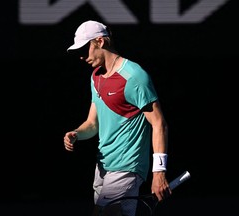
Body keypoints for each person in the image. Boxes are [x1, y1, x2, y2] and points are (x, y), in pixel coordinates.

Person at [63, 20, 171, 216]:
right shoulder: (95, 77)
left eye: (84, 49)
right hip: (104, 166)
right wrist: (76, 133)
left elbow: (159, 124)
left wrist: (159, 172)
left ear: (100, 41)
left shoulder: (134, 76)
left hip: (127, 165)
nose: (81, 56)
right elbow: (92, 123)